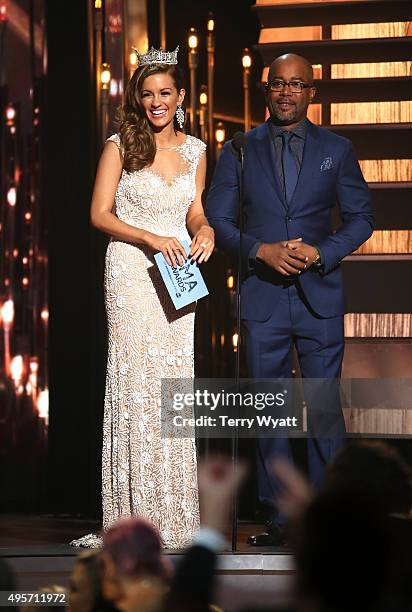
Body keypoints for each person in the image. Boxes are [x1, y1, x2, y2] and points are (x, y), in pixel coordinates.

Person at [206, 52, 373, 546]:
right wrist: (260, 251)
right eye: (277, 84)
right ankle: (281, 519)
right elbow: (218, 218)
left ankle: (328, 519)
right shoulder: (239, 149)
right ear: (266, 90)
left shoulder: (337, 149)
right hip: (263, 298)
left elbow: (362, 218)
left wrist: (322, 253)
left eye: (296, 85)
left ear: (311, 92)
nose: (286, 92)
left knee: (323, 409)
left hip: (319, 296)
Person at [71, 45, 214, 549]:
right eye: (148, 93)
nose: (157, 102)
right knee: (135, 384)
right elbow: (99, 214)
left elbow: (193, 211)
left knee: (174, 387)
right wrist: (150, 238)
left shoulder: (196, 151)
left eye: (165, 93)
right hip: (133, 271)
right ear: (139, 97)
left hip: (178, 275)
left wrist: (204, 231)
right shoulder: (120, 145)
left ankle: (174, 514)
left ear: (180, 97)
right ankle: (131, 516)